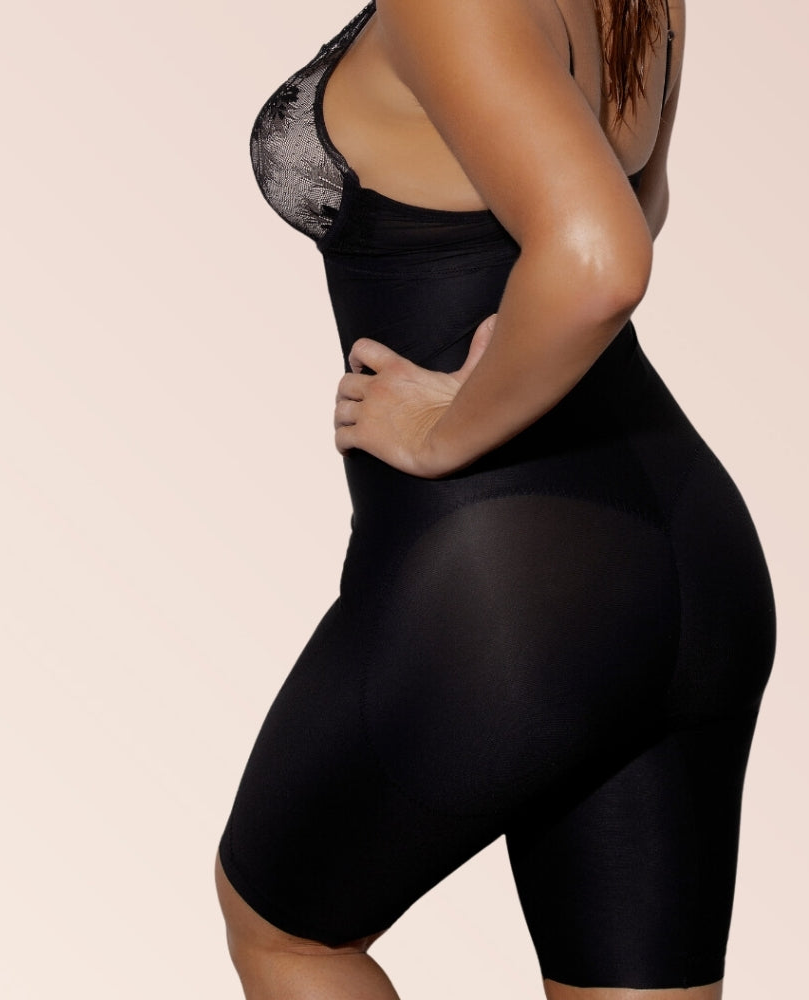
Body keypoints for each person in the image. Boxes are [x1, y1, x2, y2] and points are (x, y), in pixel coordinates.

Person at [214, 1, 777, 997]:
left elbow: (602, 257)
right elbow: (637, 200)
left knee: (287, 934)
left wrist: (444, 429)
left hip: (512, 581)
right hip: (692, 553)